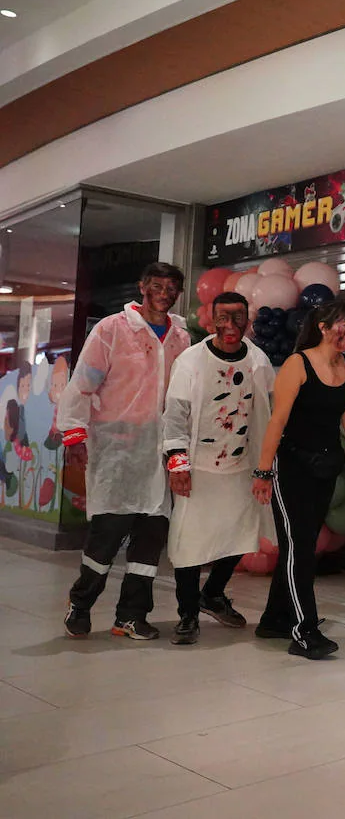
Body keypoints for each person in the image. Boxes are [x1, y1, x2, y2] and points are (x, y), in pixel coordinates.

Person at [60, 262, 192, 641]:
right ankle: (80, 604)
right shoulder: (112, 330)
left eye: (171, 287)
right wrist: (74, 434)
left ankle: (131, 615)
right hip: (117, 453)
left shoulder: (182, 337)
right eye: (157, 285)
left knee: (150, 541)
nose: (164, 293)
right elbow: (82, 383)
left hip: (161, 453)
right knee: (106, 538)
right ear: (142, 287)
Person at [252, 301, 345, 660]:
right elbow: (277, 422)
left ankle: (274, 619)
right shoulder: (297, 364)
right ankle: (304, 630)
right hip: (291, 468)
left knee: (301, 546)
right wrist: (263, 472)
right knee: (299, 548)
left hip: (325, 467)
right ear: (323, 327)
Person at [162, 290, 275, 645]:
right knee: (189, 545)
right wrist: (178, 463)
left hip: (240, 469)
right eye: (223, 318)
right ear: (210, 321)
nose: (230, 326)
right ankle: (187, 615)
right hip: (199, 469)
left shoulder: (258, 361)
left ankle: (213, 593)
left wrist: (263, 468)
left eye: (238, 317)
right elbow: (176, 414)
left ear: (248, 321)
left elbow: (268, 415)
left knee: (240, 535)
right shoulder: (191, 361)